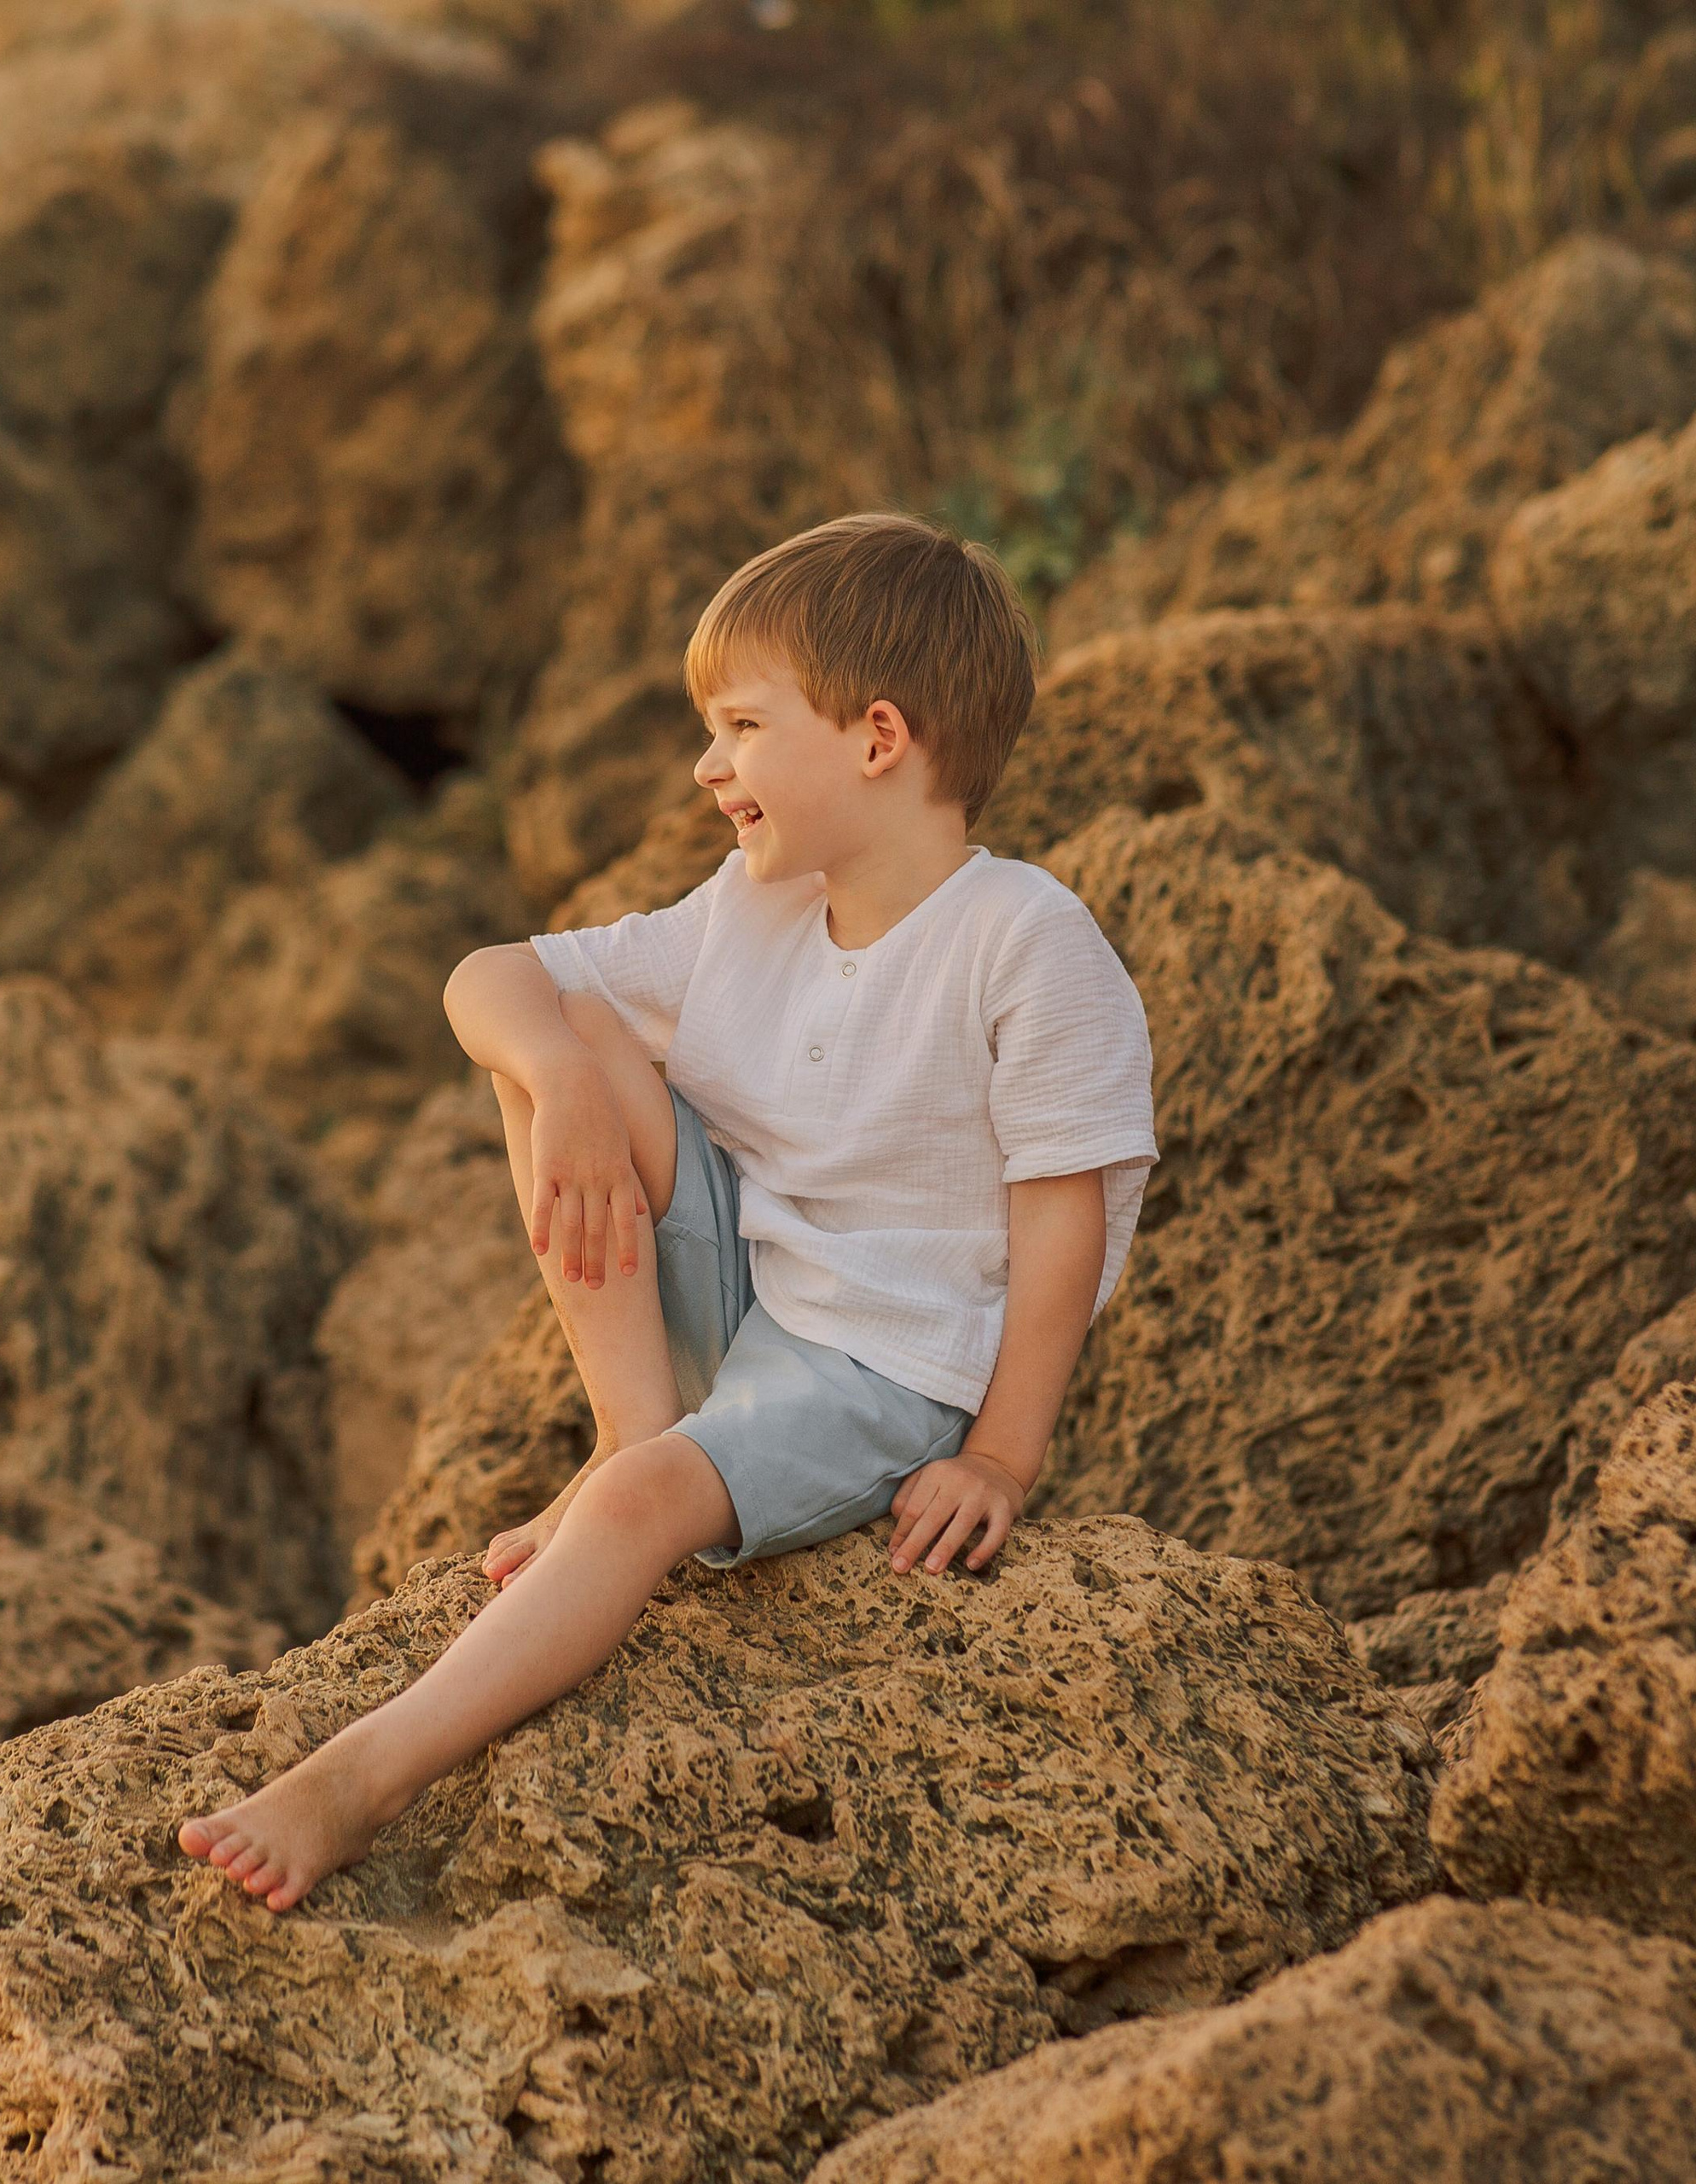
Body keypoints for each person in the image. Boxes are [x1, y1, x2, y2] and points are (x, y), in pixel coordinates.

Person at [177, 509, 1159, 1911]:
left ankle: (359, 1778)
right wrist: (567, 1071)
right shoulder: (753, 910)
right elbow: (488, 978)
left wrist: (1000, 1457)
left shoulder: (1023, 941)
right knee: (562, 1022)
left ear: (878, 738)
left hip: (894, 1374)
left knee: (639, 1509)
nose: (710, 768)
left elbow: (1063, 1217)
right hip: (755, 1316)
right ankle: (635, 1428)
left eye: (744, 728)